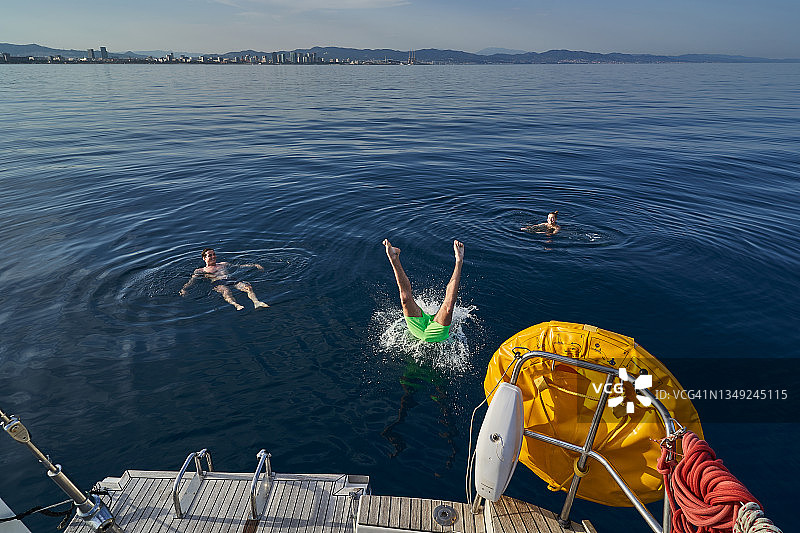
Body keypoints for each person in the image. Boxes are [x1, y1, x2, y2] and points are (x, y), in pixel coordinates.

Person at [383, 239, 464, 343]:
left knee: (448, 307)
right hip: (418, 329)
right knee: (405, 300)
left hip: (437, 333)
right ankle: (394, 256)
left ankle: (459, 260)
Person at [179, 248, 269, 311]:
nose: (213, 256)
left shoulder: (223, 264)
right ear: (204, 258)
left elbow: (239, 266)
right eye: (210, 255)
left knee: (247, 287)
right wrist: (184, 289)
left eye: (214, 254)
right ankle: (236, 305)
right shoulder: (200, 270)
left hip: (230, 279)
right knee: (226, 291)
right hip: (218, 283)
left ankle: (256, 302)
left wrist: (254, 265)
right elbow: (191, 281)